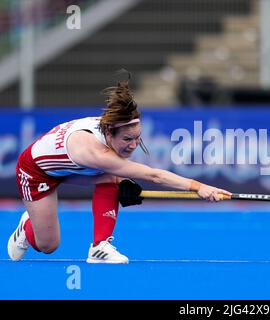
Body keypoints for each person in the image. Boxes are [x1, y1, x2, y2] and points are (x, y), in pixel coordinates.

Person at [8, 75, 231, 264]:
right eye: (127, 139)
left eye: (137, 138)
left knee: (114, 177)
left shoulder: (110, 126)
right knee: (47, 245)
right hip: (36, 173)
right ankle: (28, 225)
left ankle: (99, 247)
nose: (133, 145)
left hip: (68, 165)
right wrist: (199, 187)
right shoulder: (96, 152)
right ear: (108, 134)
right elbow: (153, 175)